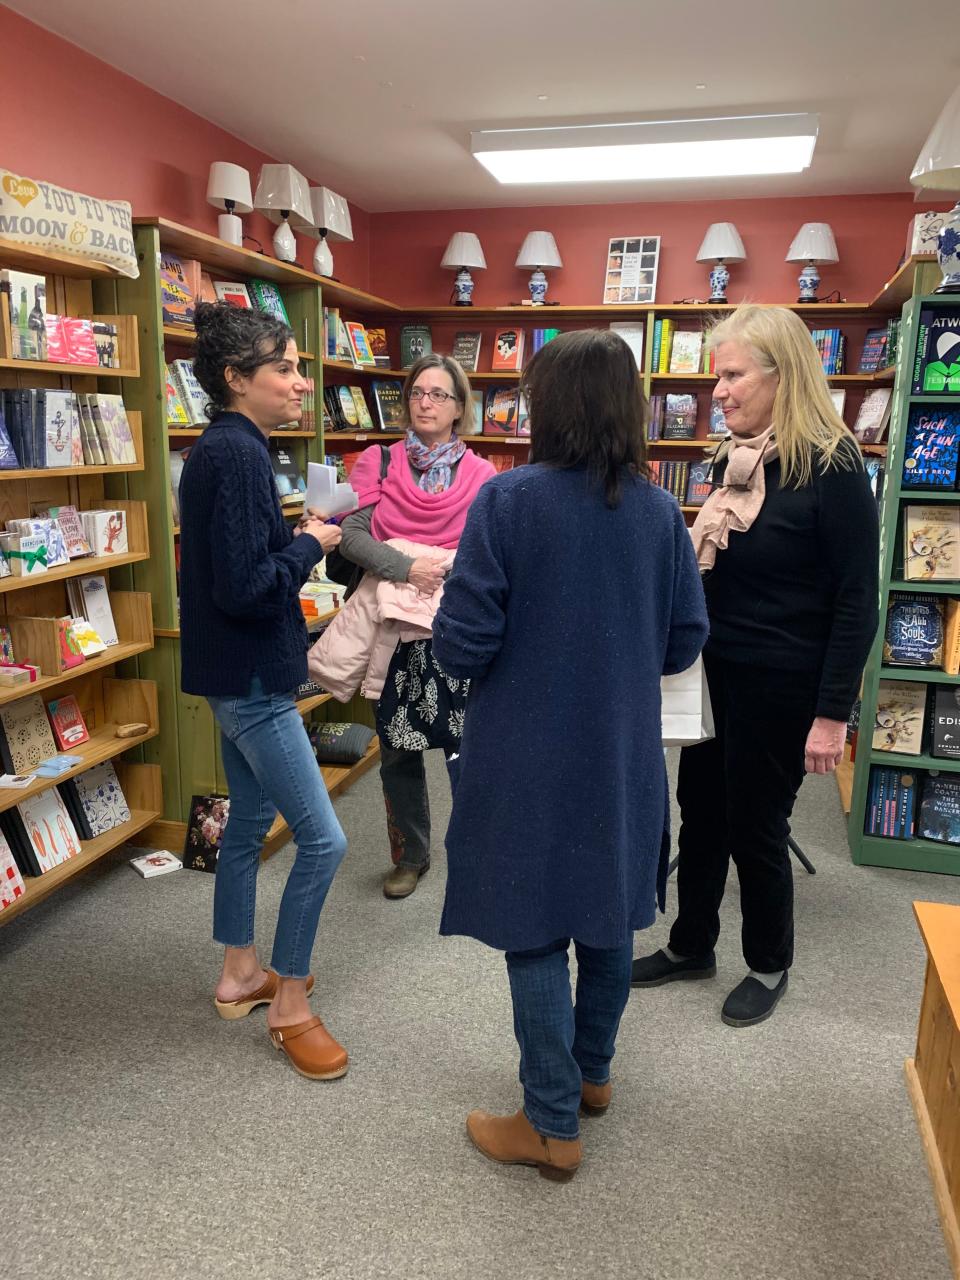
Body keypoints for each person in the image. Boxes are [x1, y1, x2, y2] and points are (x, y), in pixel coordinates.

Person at [432, 329, 708, 1181]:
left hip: (523, 752)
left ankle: (550, 1125)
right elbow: (685, 639)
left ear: (545, 406)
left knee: (533, 927)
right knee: (610, 913)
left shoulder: (507, 503)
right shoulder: (662, 512)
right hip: (622, 749)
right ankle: (590, 1077)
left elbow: (463, 648)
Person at [631, 304, 880, 1028]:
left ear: (783, 374)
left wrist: (833, 715)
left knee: (756, 826)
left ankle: (769, 962)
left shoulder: (833, 468)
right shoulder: (731, 458)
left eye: (734, 374)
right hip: (712, 673)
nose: (721, 391)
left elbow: (856, 603)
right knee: (700, 813)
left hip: (783, 681)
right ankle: (691, 945)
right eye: (718, 376)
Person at [179, 302, 350, 1082]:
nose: (300, 382)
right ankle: (287, 1007)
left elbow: (233, 563)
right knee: (325, 838)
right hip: (252, 679)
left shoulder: (223, 449)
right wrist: (311, 544)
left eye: (299, 366)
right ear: (235, 378)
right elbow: (247, 588)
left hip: (229, 672)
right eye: (284, 367)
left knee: (247, 819)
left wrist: (295, 536)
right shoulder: (242, 457)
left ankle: (240, 973)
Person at [337, 353, 495, 899]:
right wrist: (407, 566)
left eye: (439, 395)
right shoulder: (379, 462)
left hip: (454, 625)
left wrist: (441, 569)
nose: (425, 403)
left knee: (466, 747)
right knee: (397, 748)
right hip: (391, 625)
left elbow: (487, 549)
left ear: (459, 408)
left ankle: (477, 854)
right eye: (417, 393)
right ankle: (410, 856)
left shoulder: (481, 474)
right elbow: (352, 535)